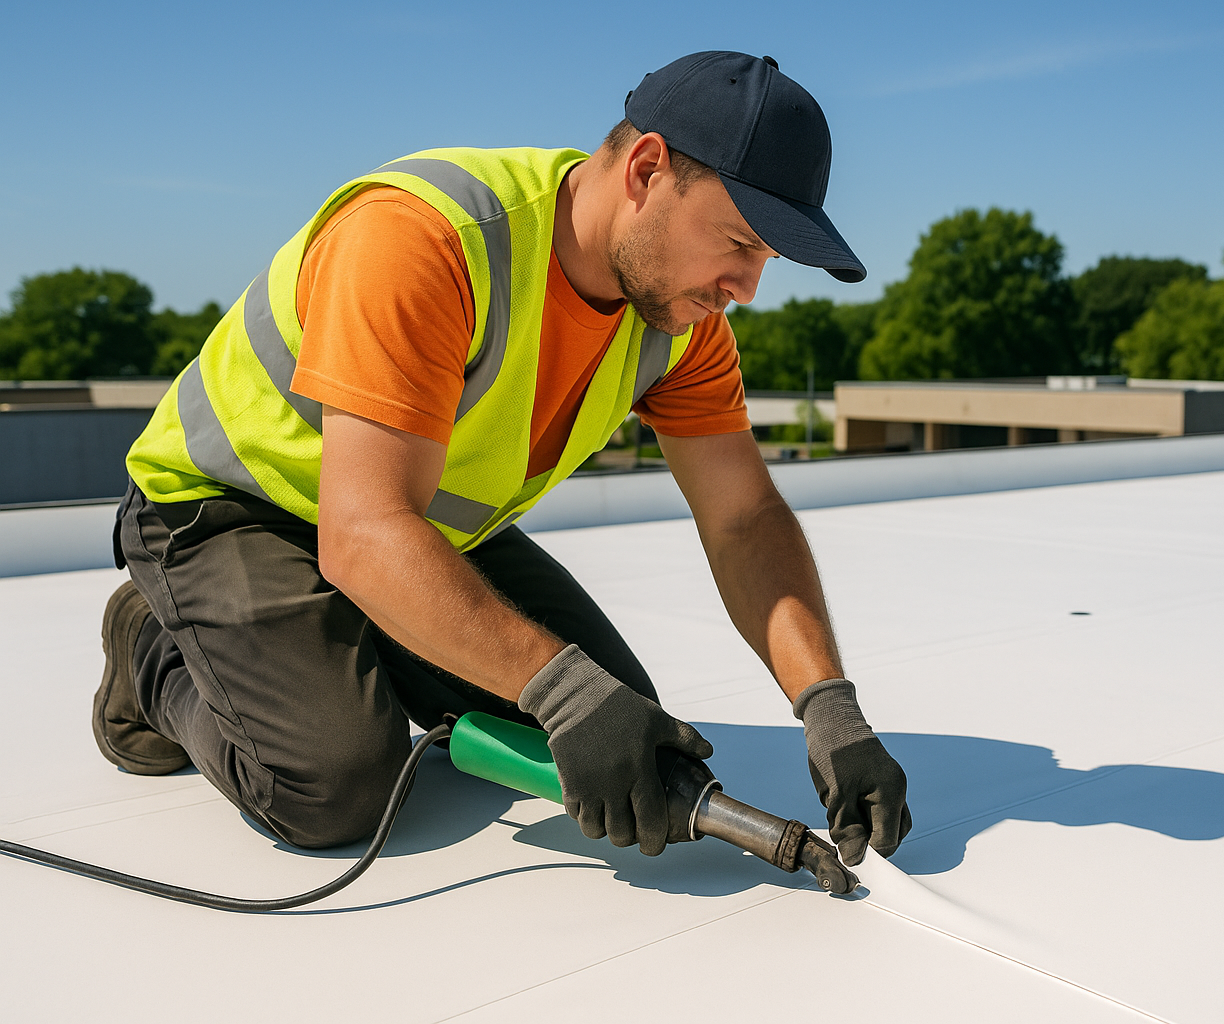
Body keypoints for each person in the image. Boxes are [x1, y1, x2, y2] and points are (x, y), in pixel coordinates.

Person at [95, 51, 911, 868]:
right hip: (231, 510)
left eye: (766, 259)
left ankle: (342, 642)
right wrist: (559, 686)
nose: (747, 287)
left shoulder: (680, 319)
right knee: (334, 785)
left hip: (410, 527)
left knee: (629, 739)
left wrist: (828, 707)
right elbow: (362, 530)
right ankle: (151, 651)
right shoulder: (424, 239)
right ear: (646, 169)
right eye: (737, 242)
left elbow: (743, 519)